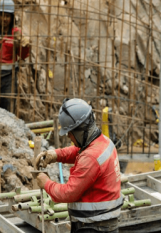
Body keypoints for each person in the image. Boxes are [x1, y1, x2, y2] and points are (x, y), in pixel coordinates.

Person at [35, 98, 123, 233]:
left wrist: (46, 183)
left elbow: (68, 193)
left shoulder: (90, 158)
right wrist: (55, 154)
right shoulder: (103, 141)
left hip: (93, 227)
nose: (69, 135)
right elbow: (80, 151)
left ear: (81, 130)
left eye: (70, 131)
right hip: (103, 223)